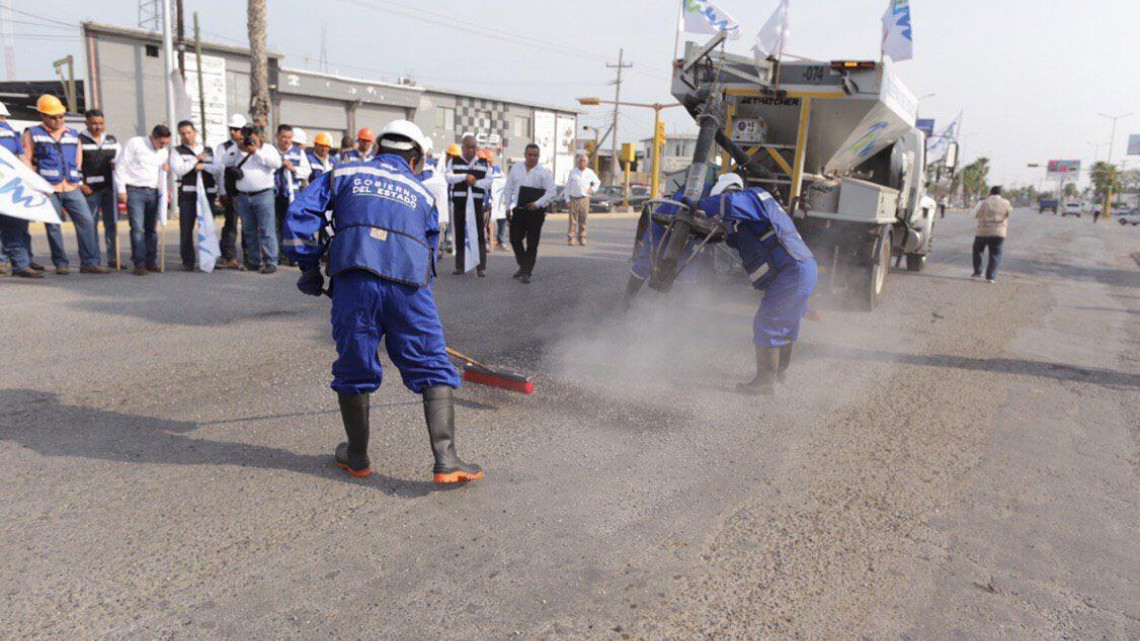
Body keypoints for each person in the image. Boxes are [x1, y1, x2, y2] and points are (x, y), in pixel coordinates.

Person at [283, 119, 482, 485]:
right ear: (415, 158)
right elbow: (431, 253)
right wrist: (414, 305)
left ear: (378, 148)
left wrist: (309, 268)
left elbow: (299, 218)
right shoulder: (421, 193)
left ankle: (357, 457)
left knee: (355, 364)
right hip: (409, 284)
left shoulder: (343, 171)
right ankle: (447, 459)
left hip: (355, 277)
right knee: (431, 361)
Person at [697, 173, 818, 395]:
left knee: (767, 323)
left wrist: (699, 203)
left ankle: (766, 382)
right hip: (800, 267)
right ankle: (779, 375)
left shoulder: (753, 196)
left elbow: (728, 204)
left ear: (729, 191)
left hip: (792, 270)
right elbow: (734, 238)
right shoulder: (750, 218)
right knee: (788, 323)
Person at [21, 94, 108, 274]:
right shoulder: (32, 134)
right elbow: (26, 161)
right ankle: (61, 264)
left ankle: (89, 262)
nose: (58, 120)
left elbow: (77, 160)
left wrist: (76, 181)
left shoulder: (72, 134)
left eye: (60, 116)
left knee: (86, 221)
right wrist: (37, 186)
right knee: (53, 226)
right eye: (53, 117)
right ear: (42, 116)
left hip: (71, 187)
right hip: (48, 189)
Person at [221, 124, 282, 274]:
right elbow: (224, 160)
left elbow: (277, 164)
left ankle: (270, 261)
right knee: (249, 230)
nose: (248, 140)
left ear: (259, 137)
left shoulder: (268, 149)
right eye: (246, 137)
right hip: (243, 196)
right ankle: (254, 261)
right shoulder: (238, 150)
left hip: (264, 195)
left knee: (267, 230)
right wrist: (238, 147)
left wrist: (255, 152)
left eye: (252, 137)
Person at [114, 124, 172, 275]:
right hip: (134, 191)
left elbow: (163, 174)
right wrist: (121, 189)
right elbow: (121, 166)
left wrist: (167, 170)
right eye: (161, 143)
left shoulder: (163, 152)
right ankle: (139, 263)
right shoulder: (135, 143)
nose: (163, 146)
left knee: (151, 229)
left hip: (153, 191)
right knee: (138, 228)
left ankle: (150, 261)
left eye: (166, 143)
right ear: (153, 137)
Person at [170, 120, 223, 271]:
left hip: (207, 195)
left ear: (195, 133)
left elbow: (218, 168)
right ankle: (188, 262)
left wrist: (204, 165)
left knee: (207, 228)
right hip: (188, 196)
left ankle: (209, 259)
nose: (186, 136)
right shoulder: (177, 151)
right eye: (183, 134)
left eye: (189, 132)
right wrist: (196, 159)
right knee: (186, 230)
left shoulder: (208, 150)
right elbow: (180, 170)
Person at [501, 143, 556, 284]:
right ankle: (523, 265)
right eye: (530, 154)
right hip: (519, 210)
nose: (532, 157)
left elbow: (552, 192)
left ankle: (526, 272)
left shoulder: (544, 172)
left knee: (532, 243)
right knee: (514, 239)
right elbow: (508, 188)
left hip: (535, 213)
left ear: (539, 156)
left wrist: (537, 204)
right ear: (525, 155)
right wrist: (507, 207)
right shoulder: (516, 168)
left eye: (535, 155)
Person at [0, 100, 42, 278]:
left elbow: (22, 158)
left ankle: (18, 264)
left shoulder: (10, 132)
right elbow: (22, 159)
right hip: (10, 186)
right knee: (14, 227)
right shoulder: (11, 132)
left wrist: (32, 180)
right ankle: (18, 265)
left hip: (9, 186)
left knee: (14, 226)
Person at [78, 109, 123, 269]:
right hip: (90, 191)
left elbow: (121, 160)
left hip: (110, 189)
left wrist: (117, 164)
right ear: (86, 123)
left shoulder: (111, 140)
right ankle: (93, 260)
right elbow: (74, 165)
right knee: (91, 225)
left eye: (101, 123)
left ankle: (113, 258)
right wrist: (81, 184)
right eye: (94, 123)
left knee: (112, 224)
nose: (98, 127)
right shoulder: (80, 140)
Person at [445, 134, 494, 277]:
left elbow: (489, 181)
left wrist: (475, 182)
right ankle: (459, 266)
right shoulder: (454, 161)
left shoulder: (484, 163)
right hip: (459, 203)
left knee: (479, 234)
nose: (472, 150)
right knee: (460, 233)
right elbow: (448, 177)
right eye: (468, 147)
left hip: (477, 204)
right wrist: (464, 177)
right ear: (463, 148)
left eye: (474, 147)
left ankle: (481, 267)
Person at [273, 124, 311, 265]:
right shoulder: (271, 150)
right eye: (283, 137)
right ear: (277, 137)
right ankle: (276, 255)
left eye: (289, 138)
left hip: (291, 194)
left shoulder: (298, 152)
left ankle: (290, 254)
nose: (287, 141)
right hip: (274, 193)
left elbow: (307, 171)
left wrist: (293, 168)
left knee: (290, 225)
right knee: (274, 225)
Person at [215, 114, 248, 270]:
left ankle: (249, 256)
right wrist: (222, 192)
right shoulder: (224, 147)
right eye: (231, 129)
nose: (233, 132)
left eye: (237, 129)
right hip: (231, 190)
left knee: (249, 225)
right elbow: (220, 170)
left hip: (247, 190)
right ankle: (228, 256)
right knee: (231, 224)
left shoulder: (250, 145)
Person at [971, 185, 1011, 284]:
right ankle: (991, 277)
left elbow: (972, 215)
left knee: (978, 250)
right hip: (999, 232)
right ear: (1000, 193)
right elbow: (1009, 213)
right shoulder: (1006, 203)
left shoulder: (983, 202)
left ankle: (978, 272)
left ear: (990, 192)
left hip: (983, 232)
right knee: (995, 254)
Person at [564, 153, 600, 246]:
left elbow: (597, 182)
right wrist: (567, 200)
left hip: (584, 199)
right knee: (572, 220)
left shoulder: (590, 172)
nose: (582, 162)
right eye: (580, 161)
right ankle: (571, 238)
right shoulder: (573, 172)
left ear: (587, 163)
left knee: (583, 220)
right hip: (573, 198)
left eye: (584, 161)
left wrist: (592, 190)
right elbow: (567, 187)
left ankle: (582, 238)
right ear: (578, 162)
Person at [487, 152, 508, 250]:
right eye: (487, 160)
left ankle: (501, 241)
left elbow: (505, 181)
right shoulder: (482, 169)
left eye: (490, 160)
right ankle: (487, 242)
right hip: (487, 200)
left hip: (498, 199)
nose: (489, 162)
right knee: (486, 221)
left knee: (502, 219)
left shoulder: (497, 170)